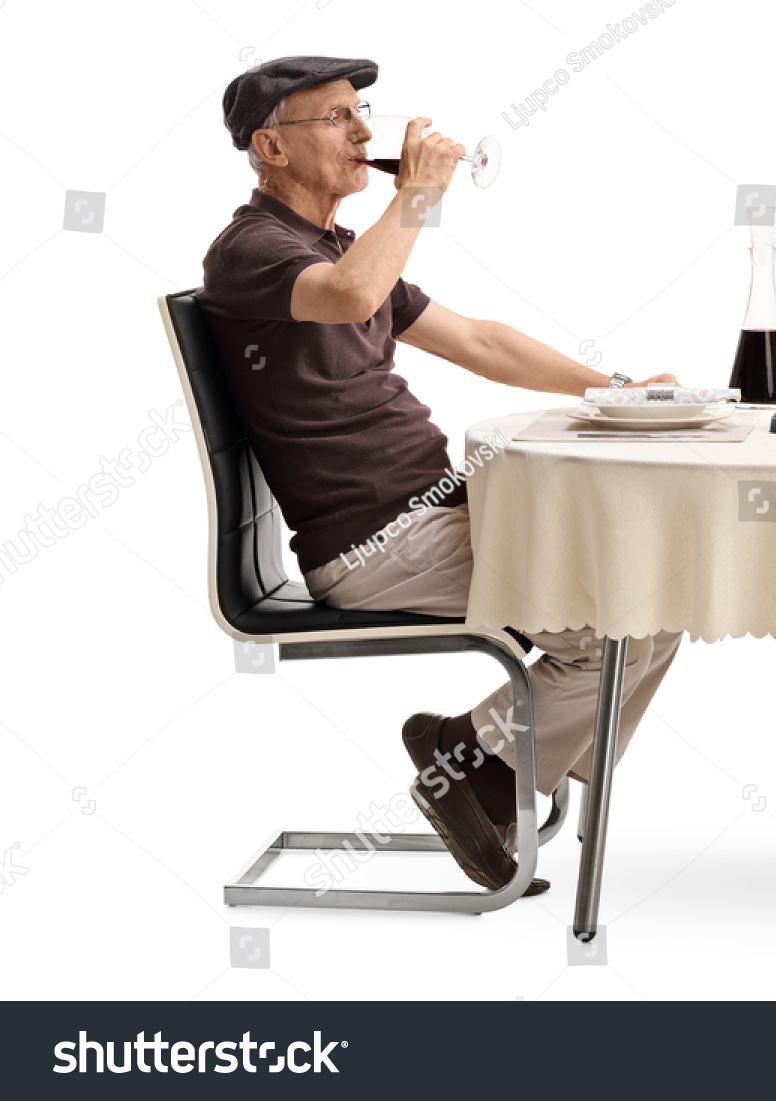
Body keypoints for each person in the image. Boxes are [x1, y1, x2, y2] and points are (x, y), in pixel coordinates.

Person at [198, 56, 683, 895]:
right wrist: (415, 197)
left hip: (433, 516)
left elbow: (480, 342)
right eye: (337, 119)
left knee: (657, 592)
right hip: (376, 545)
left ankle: (490, 771)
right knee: (631, 610)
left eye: (363, 113)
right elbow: (348, 298)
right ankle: (467, 765)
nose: (363, 134)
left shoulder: (341, 245)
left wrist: (614, 388)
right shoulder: (252, 251)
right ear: (270, 147)